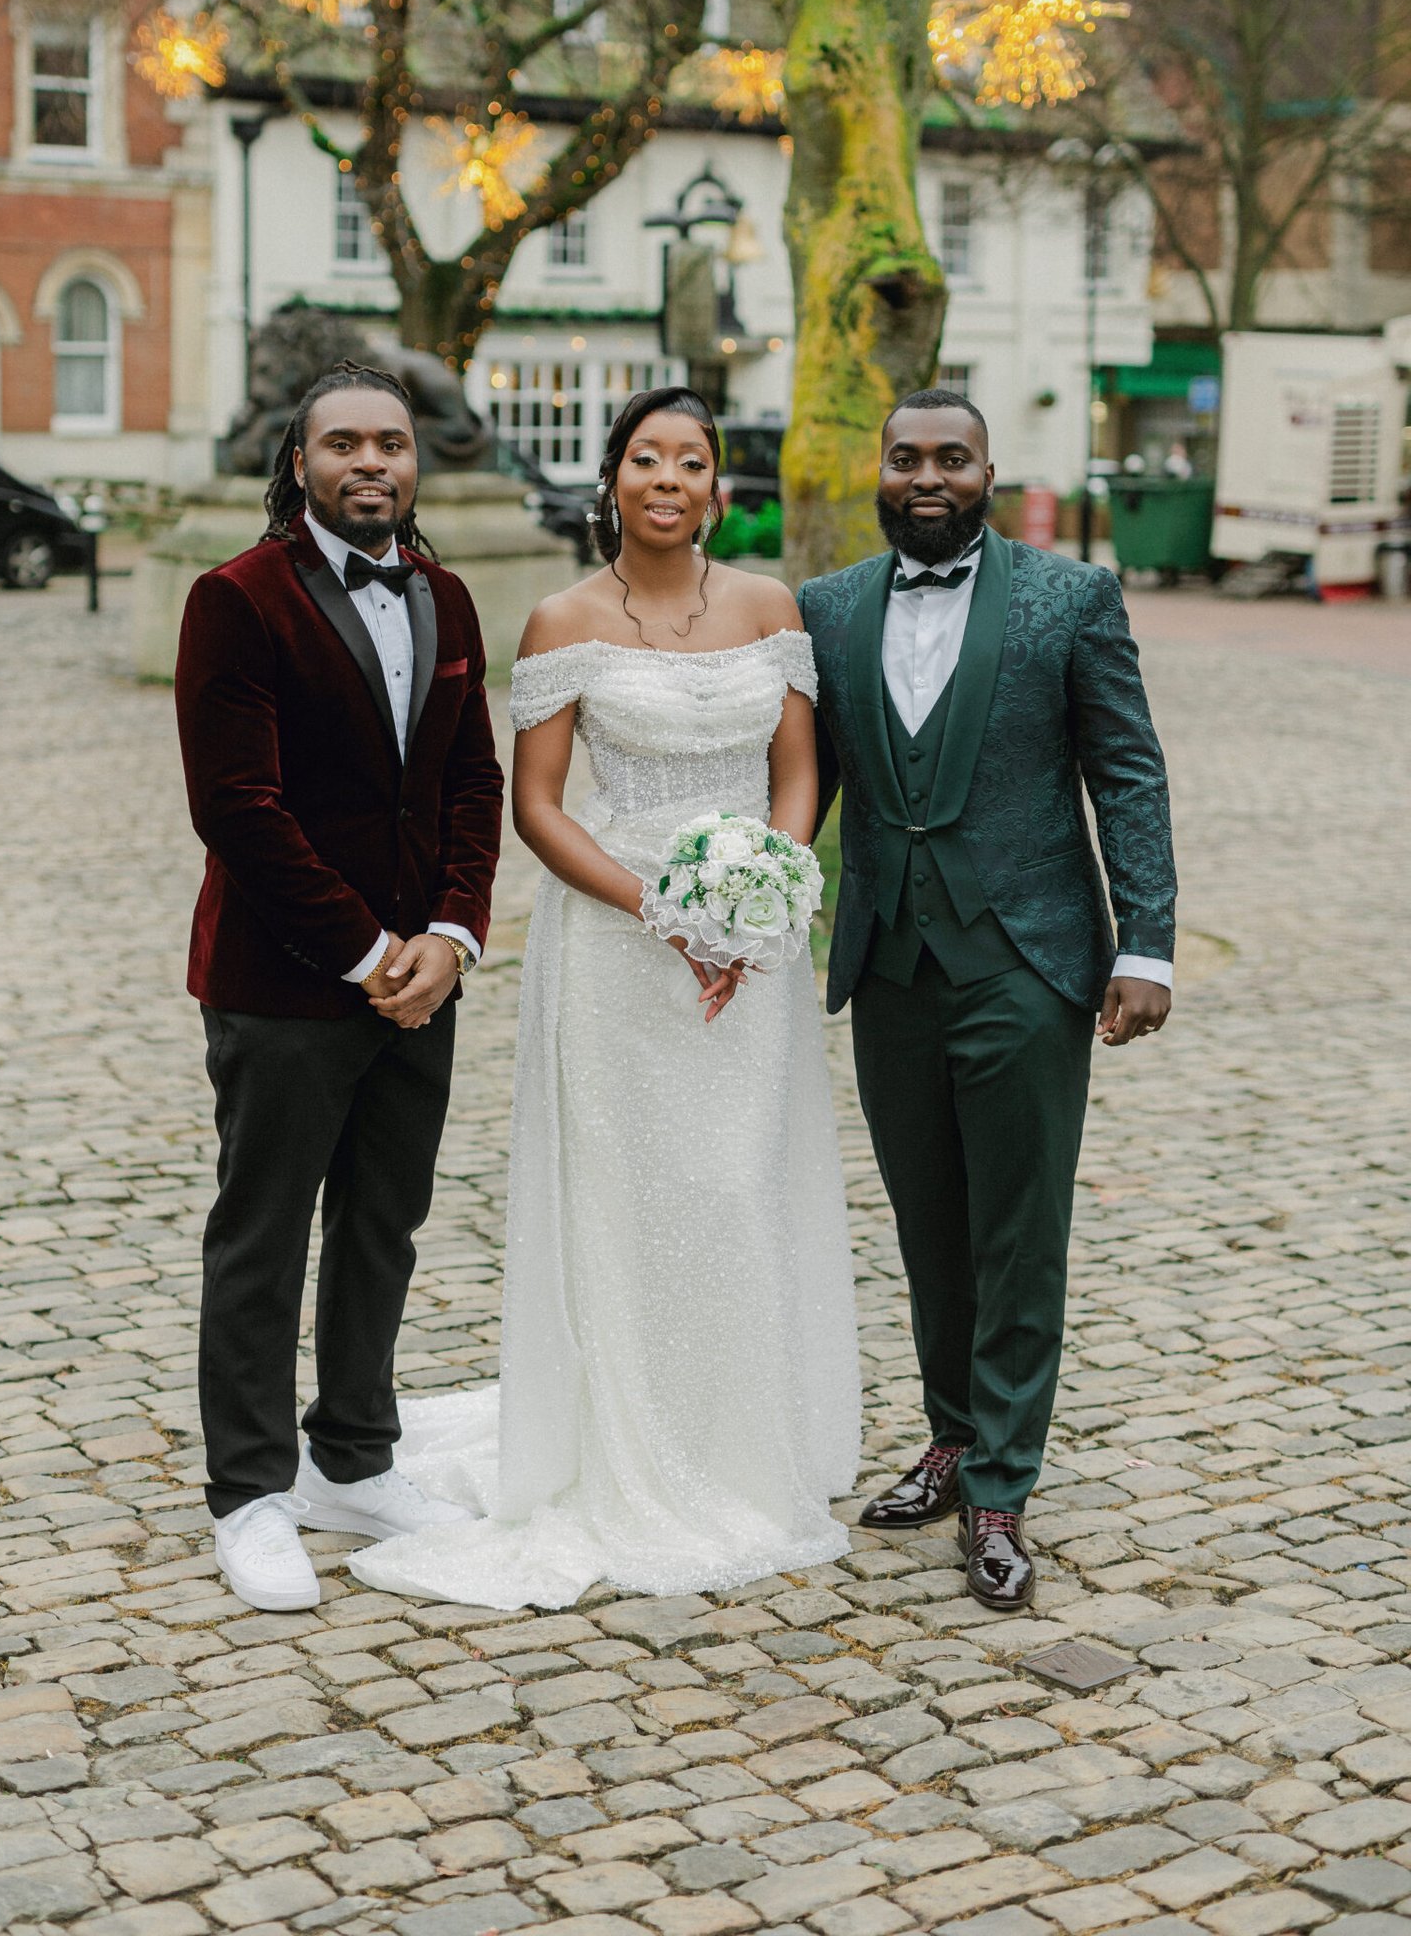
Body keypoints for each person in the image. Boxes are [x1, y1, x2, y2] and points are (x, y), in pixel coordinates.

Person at [347, 386, 862, 1610]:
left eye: (690, 461)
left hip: (752, 951)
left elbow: (799, 772)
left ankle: (740, 1438)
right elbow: (536, 806)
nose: (667, 480)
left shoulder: (770, 607)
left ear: (716, 485)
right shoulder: (564, 618)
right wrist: (666, 912)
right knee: (629, 1194)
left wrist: (765, 891)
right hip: (617, 945)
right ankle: (623, 1440)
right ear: (612, 478)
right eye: (645, 458)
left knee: (737, 1183)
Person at [800, 389, 1175, 1613]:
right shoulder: (827, 607)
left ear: (988, 473)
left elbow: (1126, 769)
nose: (926, 476)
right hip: (889, 960)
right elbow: (803, 778)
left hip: (1026, 958)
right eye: (905, 457)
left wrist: (1147, 945)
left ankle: (1002, 1486)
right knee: (928, 1222)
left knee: (1016, 1229)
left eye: (950, 459)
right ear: (879, 471)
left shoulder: (1072, 598)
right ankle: (952, 1437)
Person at [174, 361, 504, 1611]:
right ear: (299, 462)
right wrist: (371, 954)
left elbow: (472, 782)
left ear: (415, 463)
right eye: (345, 443)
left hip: (426, 977)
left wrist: (452, 936)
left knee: (382, 1224)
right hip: (285, 981)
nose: (372, 462)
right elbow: (237, 809)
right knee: (260, 1237)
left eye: (392, 444)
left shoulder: (445, 595)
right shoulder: (235, 599)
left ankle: (354, 1459)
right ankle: (250, 1495)